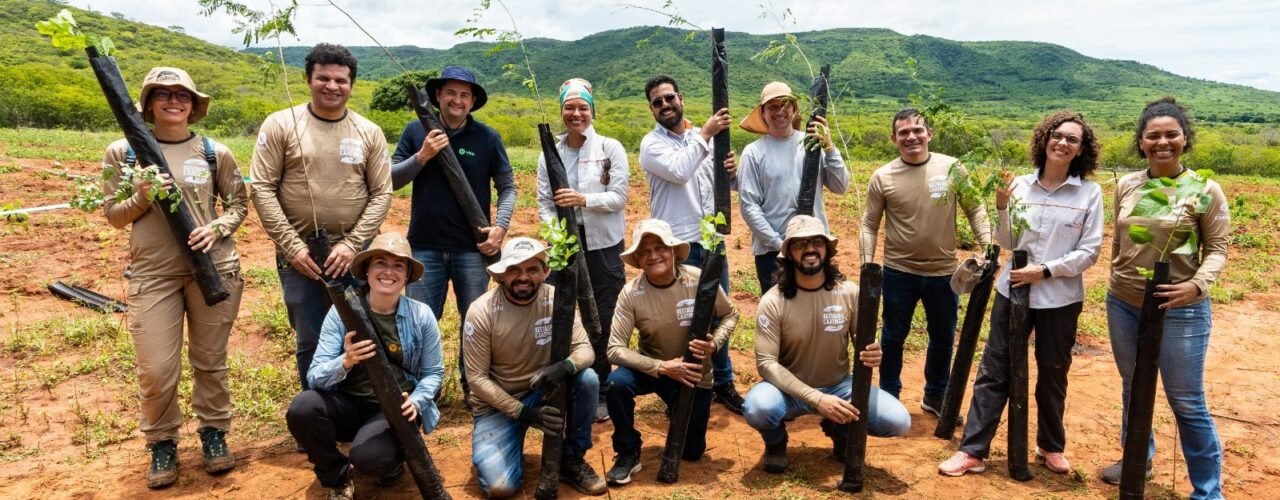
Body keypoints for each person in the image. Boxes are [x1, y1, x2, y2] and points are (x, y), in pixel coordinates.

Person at [102, 66, 248, 489]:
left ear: (193, 104)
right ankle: (162, 440)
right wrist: (140, 197)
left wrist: (217, 228)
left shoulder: (213, 152)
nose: (173, 100)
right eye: (162, 93)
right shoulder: (121, 154)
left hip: (214, 271)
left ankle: (214, 433)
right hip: (153, 275)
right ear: (147, 104)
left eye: (182, 94)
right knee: (156, 368)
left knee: (210, 361)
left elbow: (239, 204)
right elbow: (113, 216)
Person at [938, 110, 1104, 477]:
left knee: (1054, 370)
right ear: (1045, 139)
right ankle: (973, 450)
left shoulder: (1090, 193)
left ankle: (1050, 446)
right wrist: (1000, 205)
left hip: (1059, 296)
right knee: (995, 367)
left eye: (1072, 139)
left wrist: (1044, 270)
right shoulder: (1019, 186)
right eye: (1057, 135)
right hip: (1012, 290)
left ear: (1081, 150)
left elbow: (1089, 251)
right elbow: (1008, 242)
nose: (1062, 143)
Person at [1099, 97, 1229, 499]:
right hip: (1124, 303)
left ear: (1184, 139)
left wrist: (1196, 285)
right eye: (1153, 136)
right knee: (1132, 386)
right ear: (1141, 142)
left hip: (1181, 309)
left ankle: (1208, 491)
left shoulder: (1204, 189)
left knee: (1186, 400)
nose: (1162, 142)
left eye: (1171, 134)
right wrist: (1119, 276)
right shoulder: (1128, 184)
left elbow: (1219, 248)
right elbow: (1120, 239)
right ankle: (1138, 458)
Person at [250, 43, 392, 390]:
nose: (332, 86)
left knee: (364, 330)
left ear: (352, 84)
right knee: (311, 336)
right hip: (302, 256)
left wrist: (353, 244)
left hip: (355, 255)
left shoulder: (368, 131)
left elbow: (382, 193)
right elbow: (262, 187)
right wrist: (292, 248)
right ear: (308, 79)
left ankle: (360, 408)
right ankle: (316, 413)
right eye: (323, 78)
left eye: (340, 80)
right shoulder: (282, 124)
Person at [743, 215, 911, 473]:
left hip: (838, 386)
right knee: (758, 408)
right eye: (800, 244)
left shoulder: (850, 292)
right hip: (788, 389)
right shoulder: (773, 301)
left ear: (827, 249)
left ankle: (840, 428)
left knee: (898, 422)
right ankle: (776, 442)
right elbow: (766, 364)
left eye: (816, 242)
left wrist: (874, 351)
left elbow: (863, 341)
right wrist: (817, 399)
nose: (809, 249)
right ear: (788, 254)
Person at [285, 233, 444, 500]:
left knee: (371, 459)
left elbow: (433, 373)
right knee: (303, 408)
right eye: (380, 263)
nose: (388, 272)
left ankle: (391, 460)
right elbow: (314, 377)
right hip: (349, 404)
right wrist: (345, 361)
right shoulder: (341, 313)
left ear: (406, 277)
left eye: (398, 266)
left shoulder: (421, 315)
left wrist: (416, 402)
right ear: (367, 271)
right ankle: (336, 477)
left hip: (394, 408)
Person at [391, 65, 516, 394]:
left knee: (474, 323)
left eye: (464, 94)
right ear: (437, 96)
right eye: (450, 93)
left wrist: (500, 228)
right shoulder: (415, 132)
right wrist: (423, 156)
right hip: (424, 248)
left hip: (472, 250)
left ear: (473, 100)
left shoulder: (487, 138)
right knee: (419, 322)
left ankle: (473, 388)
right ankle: (420, 392)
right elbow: (390, 179)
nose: (457, 100)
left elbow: (508, 186)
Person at [860, 108, 992, 415]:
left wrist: (988, 247)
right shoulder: (883, 176)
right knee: (893, 337)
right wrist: (868, 264)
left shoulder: (954, 169)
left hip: (944, 273)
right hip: (898, 272)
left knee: (943, 337)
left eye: (917, 130)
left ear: (929, 134)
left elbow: (976, 209)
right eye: (903, 132)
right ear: (894, 138)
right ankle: (889, 395)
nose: (911, 137)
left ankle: (936, 395)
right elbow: (869, 224)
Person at [462, 237, 606, 497]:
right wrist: (524, 413)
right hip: (499, 405)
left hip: (546, 388)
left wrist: (564, 367)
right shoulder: (481, 311)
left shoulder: (557, 300)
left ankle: (571, 456)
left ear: (545, 272)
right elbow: (476, 379)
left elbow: (585, 349)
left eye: (532, 269)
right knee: (500, 488)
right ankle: (504, 448)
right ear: (502, 275)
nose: (523, 277)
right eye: (514, 269)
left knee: (588, 379)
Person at [604, 219, 739, 485]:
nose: (654, 255)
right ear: (638, 259)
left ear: (673, 251)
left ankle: (678, 407)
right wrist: (662, 367)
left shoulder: (700, 280)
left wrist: (715, 344)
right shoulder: (631, 293)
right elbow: (614, 349)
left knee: (691, 453)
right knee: (616, 384)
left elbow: (730, 315)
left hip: (694, 376)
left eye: (660, 247)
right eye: (645, 251)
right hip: (655, 370)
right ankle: (628, 451)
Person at [639, 74, 744, 414]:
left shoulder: (707, 138)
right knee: (682, 319)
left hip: (711, 240)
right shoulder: (651, 145)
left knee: (717, 315)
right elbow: (681, 171)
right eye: (658, 102)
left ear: (681, 97)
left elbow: (725, 188)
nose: (665, 105)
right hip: (677, 244)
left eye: (669, 98)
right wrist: (707, 134)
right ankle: (681, 389)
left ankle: (722, 382)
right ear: (651, 109)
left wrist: (731, 172)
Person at [535, 78, 629, 422]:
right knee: (562, 313)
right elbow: (545, 202)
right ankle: (566, 384)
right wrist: (556, 236)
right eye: (569, 107)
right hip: (565, 244)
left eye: (583, 107)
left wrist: (582, 199)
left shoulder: (610, 148)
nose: (576, 114)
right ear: (561, 111)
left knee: (603, 315)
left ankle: (602, 387)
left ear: (592, 111)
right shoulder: (550, 153)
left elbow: (619, 197)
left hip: (604, 245)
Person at [738, 81, 849, 293]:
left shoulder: (812, 144)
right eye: (772, 106)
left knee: (817, 304)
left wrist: (829, 147)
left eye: (786, 104)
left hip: (814, 246)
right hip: (772, 251)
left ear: (794, 109)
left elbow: (841, 186)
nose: (780, 111)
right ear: (762, 113)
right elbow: (749, 206)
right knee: (778, 310)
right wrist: (779, 244)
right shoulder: (753, 152)